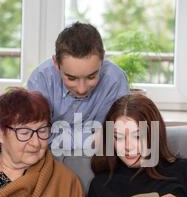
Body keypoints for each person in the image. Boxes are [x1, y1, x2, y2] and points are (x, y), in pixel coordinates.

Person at [27, 22, 129, 151]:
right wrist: (93, 139)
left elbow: (116, 135)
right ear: (56, 64)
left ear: (102, 60)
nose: (82, 89)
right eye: (71, 78)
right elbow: (36, 135)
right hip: (48, 158)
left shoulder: (115, 80)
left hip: (100, 160)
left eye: (91, 77)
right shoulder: (40, 79)